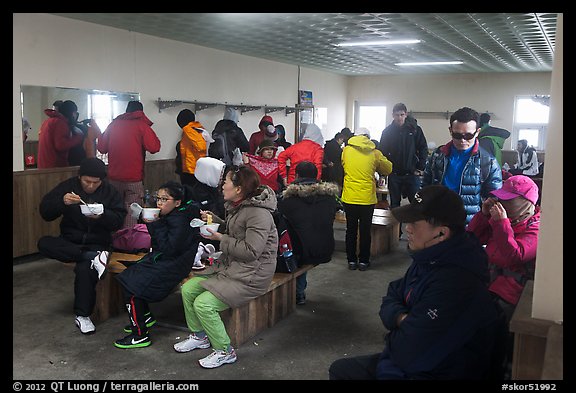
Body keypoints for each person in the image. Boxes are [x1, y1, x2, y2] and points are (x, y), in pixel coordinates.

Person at [329, 185, 506, 380]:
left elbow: (408, 353)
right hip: (417, 363)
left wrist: (397, 325)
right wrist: (401, 318)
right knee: (341, 370)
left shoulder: (458, 281)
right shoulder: (431, 257)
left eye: (415, 222)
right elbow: (394, 292)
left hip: (442, 370)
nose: (407, 228)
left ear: (442, 233)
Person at [174, 165, 278, 369]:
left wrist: (220, 237)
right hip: (232, 267)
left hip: (252, 274)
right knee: (187, 289)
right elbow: (236, 232)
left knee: (204, 304)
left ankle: (224, 350)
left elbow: (251, 251)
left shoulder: (258, 213)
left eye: (226, 182)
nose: (222, 185)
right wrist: (215, 221)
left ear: (238, 188)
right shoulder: (238, 205)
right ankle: (200, 336)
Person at [37, 158, 126, 334]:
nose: (91, 186)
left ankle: (83, 316)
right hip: (70, 242)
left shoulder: (110, 192)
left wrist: (102, 215)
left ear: (102, 180)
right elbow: (45, 212)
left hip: (98, 242)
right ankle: (91, 257)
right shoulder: (68, 187)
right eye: (87, 181)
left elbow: (118, 221)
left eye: (96, 182)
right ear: (79, 177)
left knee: (85, 270)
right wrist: (62, 201)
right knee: (44, 243)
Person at [113, 181, 203, 348]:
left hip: (174, 264)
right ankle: (145, 317)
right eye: (158, 198)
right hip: (166, 259)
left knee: (131, 287)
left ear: (178, 202)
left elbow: (168, 248)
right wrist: (149, 218)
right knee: (128, 276)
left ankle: (140, 335)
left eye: (164, 199)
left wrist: (153, 222)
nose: (159, 203)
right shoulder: (177, 214)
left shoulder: (180, 219)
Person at [422, 106, 502, 224]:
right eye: (457, 135)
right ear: (450, 131)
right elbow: (425, 187)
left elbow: (494, 198)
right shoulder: (437, 155)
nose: (463, 140)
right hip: (438, 220)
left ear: (477, 132)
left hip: (469, 225)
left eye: (468, 135)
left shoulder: (488, 162)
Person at [278, 161, 340, 305]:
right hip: (326, 248)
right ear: (317, 175)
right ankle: (299, 293)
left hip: (301, 252)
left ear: (296, 175)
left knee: (292, 242)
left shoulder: (287, 199)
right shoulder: (330, 197)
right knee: (304, 237)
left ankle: (296, 294)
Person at [97, 100, 161, 228]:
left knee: (113, 208)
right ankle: (128, 241)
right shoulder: (141, 125)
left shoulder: (113, 124)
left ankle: (113, 239)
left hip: (113, 177)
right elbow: (154, 147)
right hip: (134, 178)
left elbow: (102, 148)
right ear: (141, 112)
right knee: (132, 212)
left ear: (126, 110)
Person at [341, 134, 392, 271]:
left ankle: (351, 260)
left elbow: (344, 165)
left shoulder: (346, 150)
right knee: (365, 231)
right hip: (367, 199)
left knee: (350, 230)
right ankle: (364, 261)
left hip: (349, 197)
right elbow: (388, 169)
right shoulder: (375, 153)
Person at [378, 103, 428, 212]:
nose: (399, 118)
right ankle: (396, 230)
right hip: (394, 174)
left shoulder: (415, 130)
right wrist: (383, 172)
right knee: (395, 206)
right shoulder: (387, 132)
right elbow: (382, 153)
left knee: (416, 205)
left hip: (411, 174)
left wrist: (420, 167)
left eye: (402, 115)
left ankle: (415, 229)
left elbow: (423, 148)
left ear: (406, 114)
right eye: (397, 115)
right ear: (392, 115)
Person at [37, 99, 84, 168]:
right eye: (75, 113)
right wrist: (79, 137)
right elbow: (61, 145)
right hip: (54, 166)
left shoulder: (48, 121)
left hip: (44, 164)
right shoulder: (60, 123)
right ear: (72, 113)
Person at [175, 109, 208, 187]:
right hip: (196, 169)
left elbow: (201, 147)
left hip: (191, 170)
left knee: (191, 195)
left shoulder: (189, 130)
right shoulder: (198, 129)